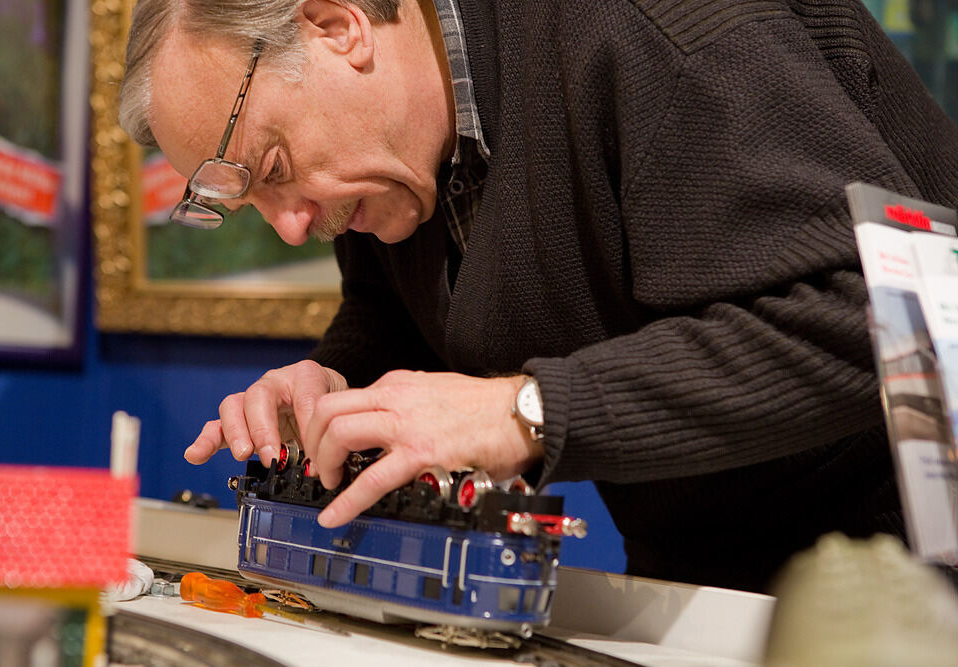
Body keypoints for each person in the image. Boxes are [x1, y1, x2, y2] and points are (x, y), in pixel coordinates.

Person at [119, 0, 958, 592]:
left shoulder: (655, 25)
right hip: (711, 584)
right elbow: (399, 319)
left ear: (337, 26)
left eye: (272, 169)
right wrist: (338, 385)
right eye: (248, 202)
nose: (292, 226)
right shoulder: (387, 171)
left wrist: (522, 412)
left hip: (914, 577)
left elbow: (888, 324)